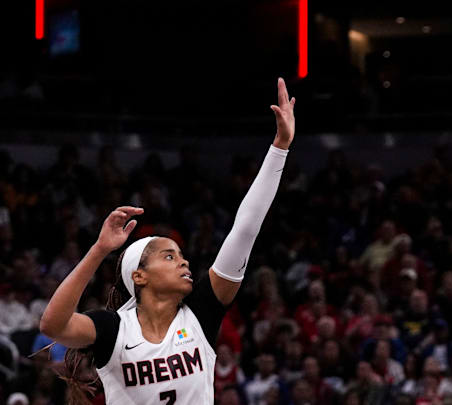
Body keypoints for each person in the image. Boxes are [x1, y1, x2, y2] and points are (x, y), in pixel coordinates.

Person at [38, 78, 297, 405]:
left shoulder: (202, 313)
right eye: (169, 257)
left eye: (180, 254)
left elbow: (245, 228)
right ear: (139, 275)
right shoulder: (113, 329)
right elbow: (53, 324)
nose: (184, 261)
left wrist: (280, 146)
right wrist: (100, 249)